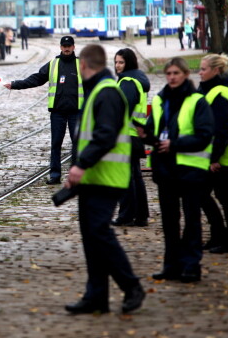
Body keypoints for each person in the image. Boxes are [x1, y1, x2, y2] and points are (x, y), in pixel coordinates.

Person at [64, 44, 145, 315]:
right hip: (92, 177)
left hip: (107, 178)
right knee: (91, 236)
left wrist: (81, 165)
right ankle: (96, 295)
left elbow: (106, 135)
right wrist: (78, 169)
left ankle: (131, 285)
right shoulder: (99, 90)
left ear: (85, 65)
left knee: (99, 233)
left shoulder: (107, 92)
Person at [137, 57, 214, 283]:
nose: (171, 77)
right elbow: (155, 132)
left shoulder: (197, 101)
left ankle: (191, 265)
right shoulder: (161, 100)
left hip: (190, 168)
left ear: (185, 75)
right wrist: (146, 134)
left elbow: (204, 135)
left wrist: (175, 144)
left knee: (191, 220)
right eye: (168, 73)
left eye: (175, 73)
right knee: (170, 222)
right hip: (165, 169)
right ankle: (171, 265)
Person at [4, 36, 82, 185]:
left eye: (69, 46)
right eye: (64, 46)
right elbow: (36, 79)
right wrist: (15, 84)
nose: (66, 48)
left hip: (76, 111)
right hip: (57, 112)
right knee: (56, 143)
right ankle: (55, 175)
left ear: (73, 47)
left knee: (78, 144)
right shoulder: (53, 64)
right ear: (60, 47)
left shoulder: (81, 65)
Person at [198, 55, 228, 253]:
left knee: (223, 198)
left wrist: (213, 158)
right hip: (220, 157)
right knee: (212, 196)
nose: (199, 72)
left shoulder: (221, 93)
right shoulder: (213, 91)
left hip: (223, 158)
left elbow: (222, 130)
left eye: (203, 69)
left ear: (215, 71)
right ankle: (220, 236)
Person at [112, 49, 150, 227]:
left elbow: (121, 110)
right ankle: (141, 215)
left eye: (121, 62)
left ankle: (126, 215)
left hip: (126, 135)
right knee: (135, 177)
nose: (117, 66)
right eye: (116, 62)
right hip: (134, 135)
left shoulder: (127, 82)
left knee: (125, 178)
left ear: (129, 63)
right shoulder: (138, 79)